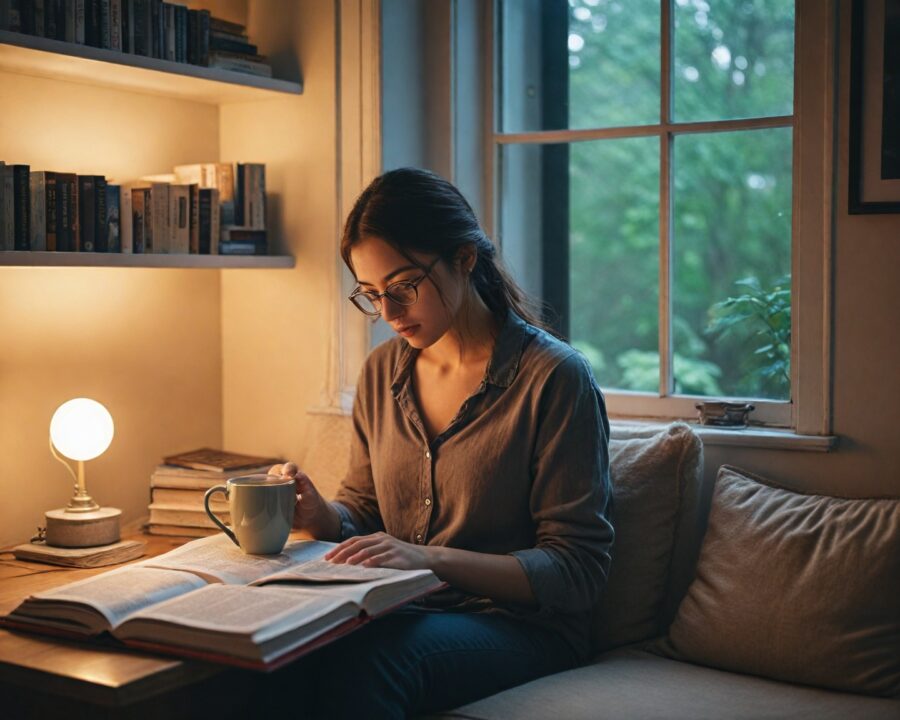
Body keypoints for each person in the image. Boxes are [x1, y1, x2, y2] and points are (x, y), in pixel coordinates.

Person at [268, 167, 614, 719]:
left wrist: (429, 559)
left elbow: (576, 571)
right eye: (371, 294)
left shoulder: (554, 379)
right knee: (273, 656)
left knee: (373, 662)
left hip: (518, 626)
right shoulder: (383, 372)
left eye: (403, 287)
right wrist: (322, 517)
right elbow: (364, 510)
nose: (388, 313)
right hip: (399, 608)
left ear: (464, 259)